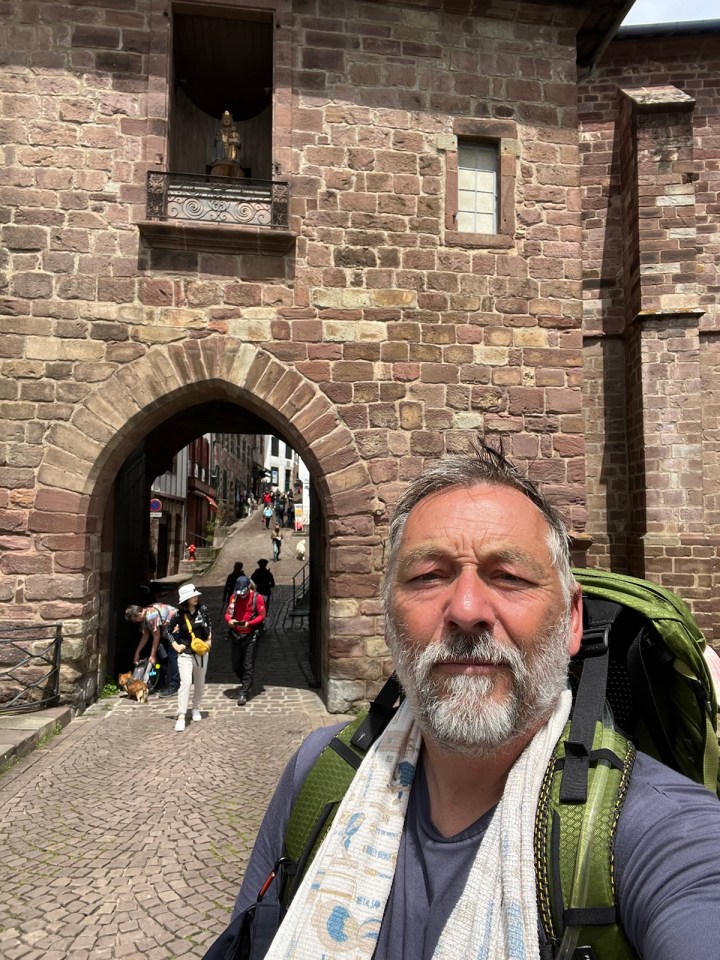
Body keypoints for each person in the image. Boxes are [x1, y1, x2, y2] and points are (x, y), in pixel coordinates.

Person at [220, 442, 720, 960]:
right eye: (428, 576)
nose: (465, 608)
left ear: (572, 620)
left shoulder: (665, 834)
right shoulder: (317, 775)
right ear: (388, 619)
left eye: (510, 577)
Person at [168, 583, 212, 732]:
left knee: (200, 682)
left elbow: (209, 625)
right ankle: (181, 715)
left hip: (201, 653)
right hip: (185, 653)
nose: (196, 598)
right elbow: (168, 631)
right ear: (186, 599)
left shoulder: (203, 610)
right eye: (193, 596)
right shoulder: (179, 615)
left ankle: (196, 707)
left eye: (196, 595)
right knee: (186, 683)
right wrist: (175, 645)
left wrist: (209, 640)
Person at [224, 574, 266, 706]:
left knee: (248, 664)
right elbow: (228, 613)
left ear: (249, 587)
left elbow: (262, 615)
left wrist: (250, 623)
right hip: (236, 635)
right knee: (236, 665)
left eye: (244, 592)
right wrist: (229, 621)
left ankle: (243, 692)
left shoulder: (257, 598)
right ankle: (247, 682)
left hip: (250, 635)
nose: (242, 595)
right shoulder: (234, 597)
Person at [124, 600, 179, 697]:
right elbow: (145, 635)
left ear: (139, 615)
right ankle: (162, 684)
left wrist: (152, 655)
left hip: (177, 628)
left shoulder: (151, 616)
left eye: (134, 619)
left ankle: (174, 686)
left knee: (172, 657)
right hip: (168, 632)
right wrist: (137, 653)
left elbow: (156, 636)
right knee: (163, 657)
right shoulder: (144, 617)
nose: (135, 622)